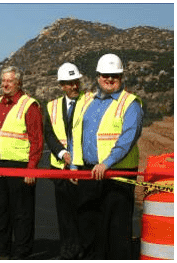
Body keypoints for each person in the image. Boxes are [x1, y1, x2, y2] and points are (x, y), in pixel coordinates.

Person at [72, 53, 143, 259]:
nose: (109, 79)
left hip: (117, 175)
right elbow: (76, 134)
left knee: (116, 232)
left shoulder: (130, 103)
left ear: (121, 77)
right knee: (89, 229)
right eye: (105, 75)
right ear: (98, 76)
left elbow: (128, 137)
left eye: (115, 75)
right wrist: (75, 166)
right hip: (89, 173)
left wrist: (107, 163)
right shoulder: (86, 101)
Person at [0, 66, 43, 260]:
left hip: (19, 166)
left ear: (19, 83)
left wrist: (31, 168)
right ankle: (1, 251)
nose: (5, 84)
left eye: (9, 81)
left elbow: (37, 140)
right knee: (0, 211)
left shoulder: (29, 105)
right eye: (3, 81)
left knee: (21, 214)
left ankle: (22, 253)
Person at [44, 63, 90, 259]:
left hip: (83, 167)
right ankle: (67, 252)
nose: (74, 86)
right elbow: (49, 134)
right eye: (69, 83)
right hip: (61, 169)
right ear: (62, 85)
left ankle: (84, 252)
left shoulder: (90, 101)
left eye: (76, 82)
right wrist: (63, 154)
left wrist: (77, 160)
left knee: (85, 213)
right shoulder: (51, 107)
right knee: (65, 215)